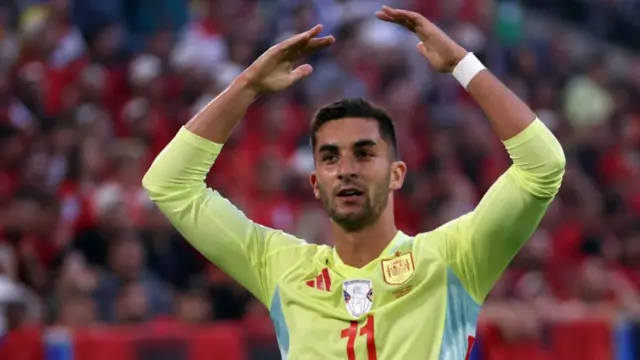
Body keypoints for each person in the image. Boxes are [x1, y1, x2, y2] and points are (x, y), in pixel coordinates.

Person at [143, 6, 565, 360]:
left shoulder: (453, 259)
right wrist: (247, 85)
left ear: (397, 173)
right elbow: (170, 183)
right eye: (329, 157)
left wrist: (461, 65)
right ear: (314, 182)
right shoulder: (280, 266)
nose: (345, 168)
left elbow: (542, 166)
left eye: (364, 153)